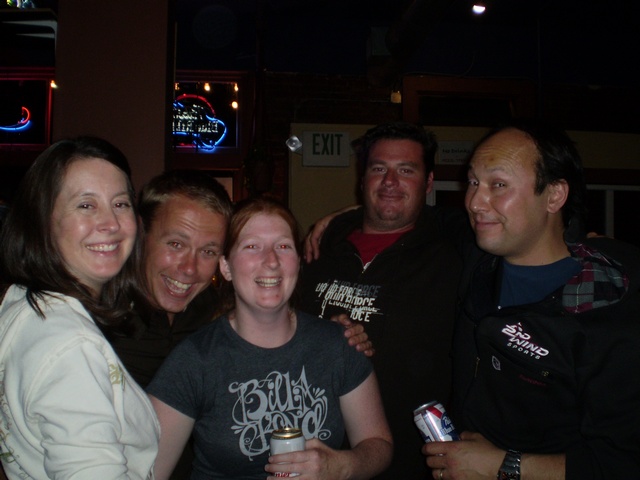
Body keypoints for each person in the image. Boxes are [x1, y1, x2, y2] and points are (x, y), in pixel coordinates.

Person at [424, 119, 640, 479]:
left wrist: (504, 465)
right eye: (474, 182)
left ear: (554, 195)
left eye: (498, 185)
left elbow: (622, 462)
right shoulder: (479, 260)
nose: (475, 202)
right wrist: (348, 217)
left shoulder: (607, 311)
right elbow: (432, 218)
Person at [146, 197, 393, 479]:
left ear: (298, 262)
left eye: (283, 246)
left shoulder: (338, 343)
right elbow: (147, 472)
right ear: (226, 266)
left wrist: (340, 467)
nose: (272, 261)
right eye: (252, 246)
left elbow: (378, 444)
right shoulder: (195, 359)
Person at [299, 121, 464, 478]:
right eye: (378, 169)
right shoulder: (319, 250)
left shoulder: (455, 257)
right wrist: (322, 336)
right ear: (362, 180)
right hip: (308, 453)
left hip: (408, 463)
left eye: (406, 170)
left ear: (429, 183)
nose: (390, 181)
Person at [0, 137, 159, 479]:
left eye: (120, 203)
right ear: (43, 220)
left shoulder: (24, 305)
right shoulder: (71, 346)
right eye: (86, 205)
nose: (111, 223)